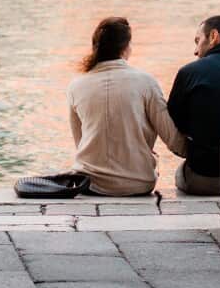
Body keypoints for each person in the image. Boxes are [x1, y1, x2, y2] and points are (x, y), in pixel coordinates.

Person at [67, 17, 187, 196]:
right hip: (138, 183)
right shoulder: (146, 83)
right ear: (126, 47)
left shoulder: (76, 86)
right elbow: (172, 139)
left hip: (90, 183)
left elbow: (80, 141)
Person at [167, 15, 220, 196]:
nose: (196, 51)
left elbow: (174, 122)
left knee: (180, 173)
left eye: (198, 41)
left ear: (213, 36)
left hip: (205, 177)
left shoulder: (189, 72)